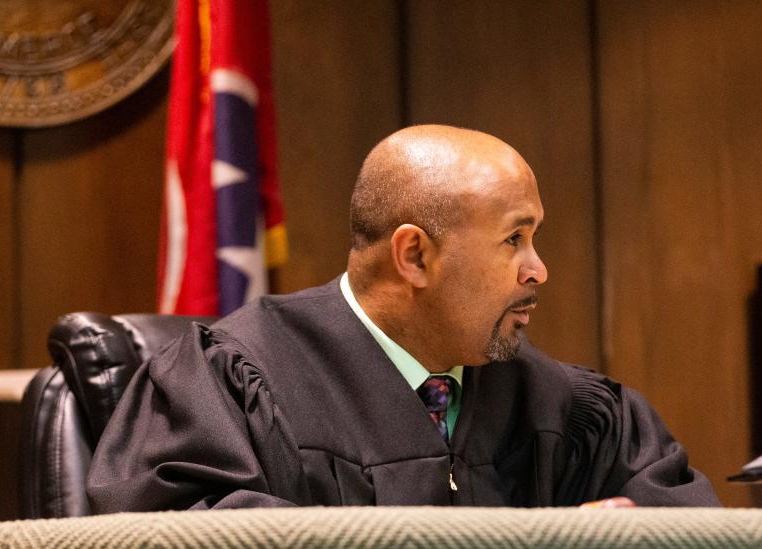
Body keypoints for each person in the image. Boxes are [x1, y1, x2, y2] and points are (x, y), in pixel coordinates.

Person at [87, 125, 719, 511]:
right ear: (414, 255)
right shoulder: (230, 383)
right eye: (514, 240)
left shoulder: (561, 407)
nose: (538, 270)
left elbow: (694, 539)